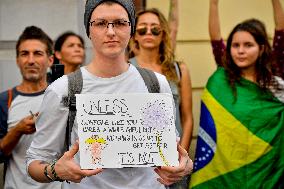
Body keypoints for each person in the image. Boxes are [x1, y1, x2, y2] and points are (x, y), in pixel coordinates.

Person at [26, 1, 193, 189]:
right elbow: (34, 162)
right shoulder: (63, 89)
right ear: (89, 30)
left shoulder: (157, 84)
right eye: (100, 23)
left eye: (120, 23)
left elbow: (174, 152)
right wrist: (55, 171)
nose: (111, 32)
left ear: (131, 29)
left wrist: (184, 165)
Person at [190, 0, 284, 188]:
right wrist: (213, 4)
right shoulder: (224, 74)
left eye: (248, 45)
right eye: (235, 45)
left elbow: (281, 32)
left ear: (262, 48)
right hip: (226, 173)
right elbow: (216, 38)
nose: (240, 51)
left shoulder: (275, 77)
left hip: (267, 171)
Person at [128, 7, 193, 189]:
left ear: (163, 33)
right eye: (142, 29)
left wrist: (182, 156)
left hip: (174, 161)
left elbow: (187, 117)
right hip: (137, 161)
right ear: (134, 35)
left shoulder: (178, 69)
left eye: (155, 28)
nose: (149, 32)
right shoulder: (124, 69)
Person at [0, 26, 61, 189]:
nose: (31, 60)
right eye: (24, 54)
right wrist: (18, 130)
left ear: (50, 60)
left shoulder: (62, 97)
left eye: (38, 53)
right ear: (17, 60)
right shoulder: (4, 100)